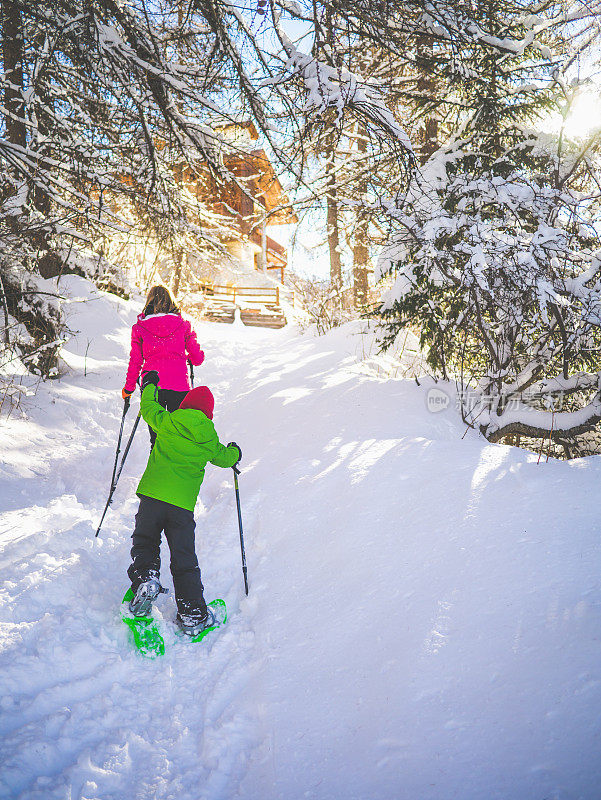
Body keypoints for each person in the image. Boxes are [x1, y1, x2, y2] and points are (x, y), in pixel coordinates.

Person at [127, 369, 242, 635]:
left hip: (152, 498)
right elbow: (226, 458)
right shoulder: (209, 440)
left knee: (145, 541)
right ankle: (193, 614)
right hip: (181, 508)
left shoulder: (167, 421)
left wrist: (151, 384)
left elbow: (148, 407)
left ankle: (147, 578)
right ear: (208, 415)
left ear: (185, 405)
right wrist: (236, 451)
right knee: (184, 559)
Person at [122, 285, 205, 447]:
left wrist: (128, 388)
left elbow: (136, 361)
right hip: (179, 386)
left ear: (149, 302)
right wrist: (185, 357)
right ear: (170, 301)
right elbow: (197, 358)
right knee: (177, 435)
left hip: (152, 388)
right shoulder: (183, 325)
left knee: (157, 437)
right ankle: (175, 469)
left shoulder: (140, 328)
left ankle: (156, 467)